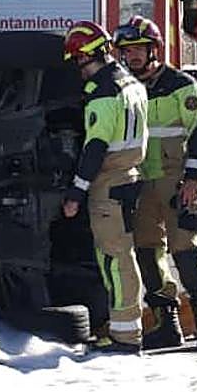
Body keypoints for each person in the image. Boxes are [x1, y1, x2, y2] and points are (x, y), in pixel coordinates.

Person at [114, 16, 197, 351]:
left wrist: (193, 180)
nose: (132, 56)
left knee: (185, 252)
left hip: (176, 183)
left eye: (138, 49)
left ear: (153, 50)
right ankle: (165, 324)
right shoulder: (125, 88)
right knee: (147, 253)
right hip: (142, 183)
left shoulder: (181, 85)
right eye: (127, 50)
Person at [62, 21, 149, 354]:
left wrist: (76, 192)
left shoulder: (103, 93)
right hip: (130, 176)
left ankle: (125, 336)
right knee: (122, 255)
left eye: (77, 61)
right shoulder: (132, 83)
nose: (78, 69)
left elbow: (95, 148)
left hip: (108, 183)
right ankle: (126, 327)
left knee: (114, 258)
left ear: (87, 56)